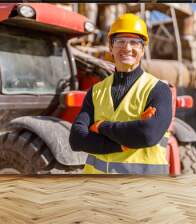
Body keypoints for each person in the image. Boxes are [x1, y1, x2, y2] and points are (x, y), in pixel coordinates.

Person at [69, 13, 172, 175]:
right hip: (97, 189)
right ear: (110, 47)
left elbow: (147, 135)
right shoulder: (96, 91)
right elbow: (76, 138)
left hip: (143, 190)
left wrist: (101, 126)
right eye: (120, 41)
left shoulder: (158, 89)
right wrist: (121, 143)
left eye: (135, 42)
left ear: (143, 49)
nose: (127, 48)